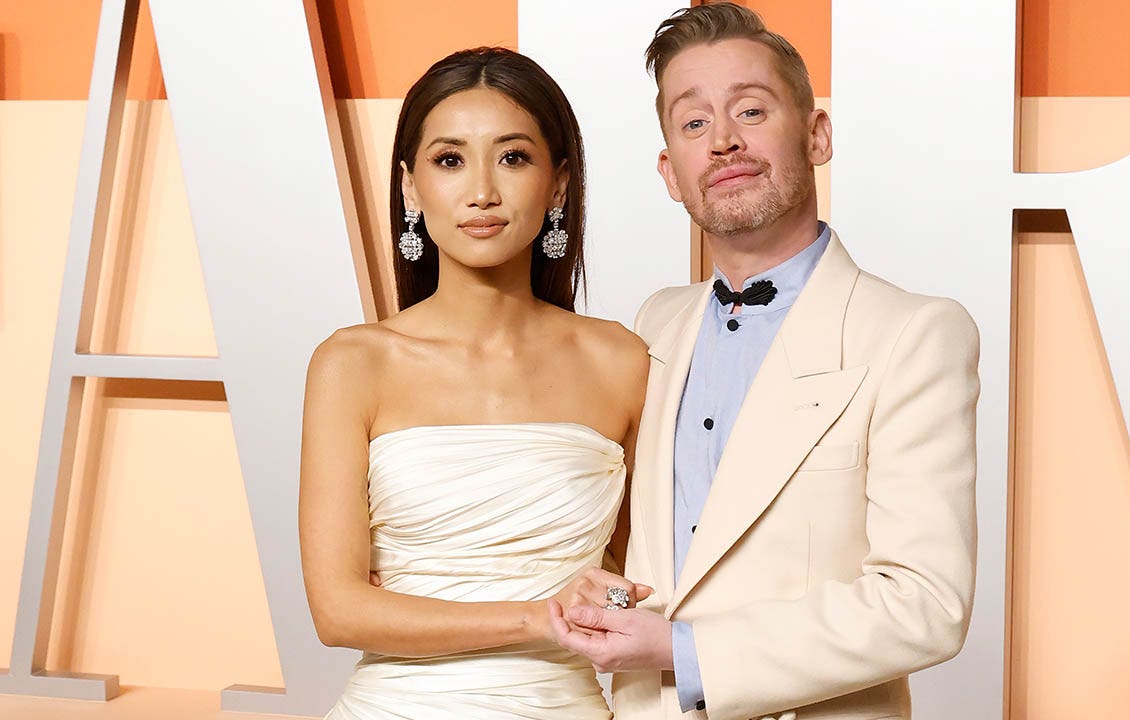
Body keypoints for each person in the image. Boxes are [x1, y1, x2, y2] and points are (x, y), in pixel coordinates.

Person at [548, 5, 981, 719]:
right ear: (670, 172)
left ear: (817, 135)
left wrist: (684, 652)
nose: (723, 141)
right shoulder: (656, 325)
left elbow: (925, 602)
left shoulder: (914, 333)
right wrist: (602, 593)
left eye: (751, 110)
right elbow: (652, 553)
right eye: (694, 123)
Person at [299, 47, 652, 719]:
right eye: (449, 160)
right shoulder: (353, 364)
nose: (482, 191)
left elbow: (649, 579)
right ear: (410, 188)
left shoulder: (620, 361)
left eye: (513, 157)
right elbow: (337, 611)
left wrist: (601, 603)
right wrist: (542, 616)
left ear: (558, 185)